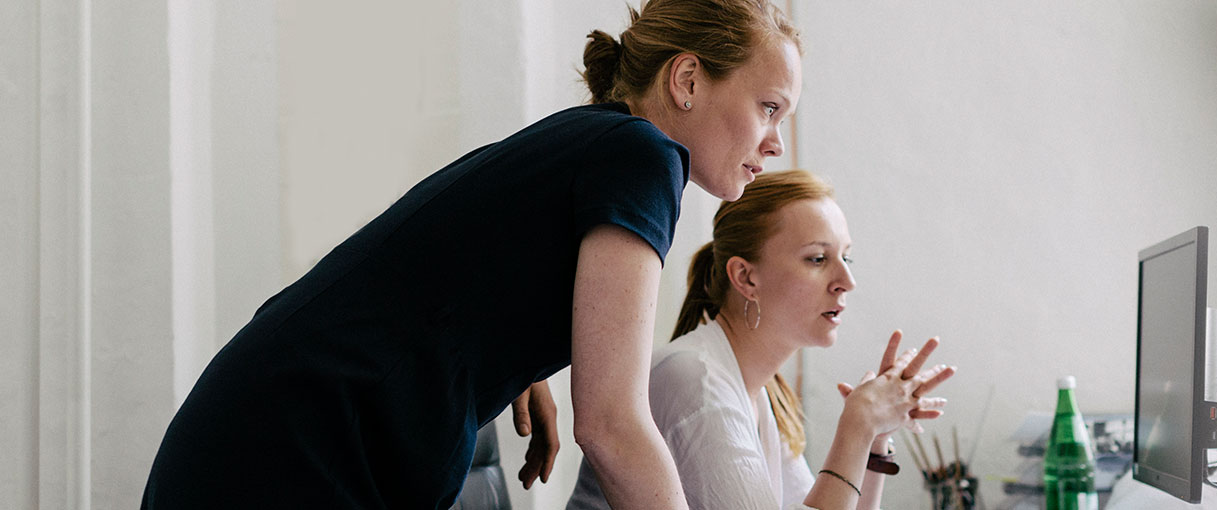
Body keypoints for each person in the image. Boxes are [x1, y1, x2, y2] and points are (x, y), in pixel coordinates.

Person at [140, 1, 802, 508]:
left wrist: (522, 364)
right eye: (768, 107)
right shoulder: (643, 158)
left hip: (266, 423)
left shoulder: (599, 143)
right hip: (295, 447)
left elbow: (461, 260)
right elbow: (611, 423)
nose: (775, 142)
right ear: (687, 78)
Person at [567, 170, 957, 510]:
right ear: (746, 278)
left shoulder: (759, 391)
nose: (846, 282)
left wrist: (874, 437)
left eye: (846, 257)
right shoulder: (697, 383)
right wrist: (855, 427)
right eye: (818, 259)